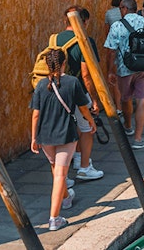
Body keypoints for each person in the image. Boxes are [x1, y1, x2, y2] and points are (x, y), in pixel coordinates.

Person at [30, 47, 94, 231]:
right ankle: (54, 218)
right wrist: (91, 122)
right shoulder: (73, 82)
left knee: (56, 169)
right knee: (60, 175)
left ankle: (66, 199)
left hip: (46, 136)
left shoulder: (41, 85)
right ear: (64, 63)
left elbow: (35, 114)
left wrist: (34, 137)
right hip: (65, 134)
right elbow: (82, 108)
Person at [52, 8, 104, 182]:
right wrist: (95, 100)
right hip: (78, 92)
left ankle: (66, 171)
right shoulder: (85, 41)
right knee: (87, 128)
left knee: (65, 130)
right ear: (84, 22)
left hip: (57, 92)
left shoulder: (54, 39)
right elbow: (86, 74)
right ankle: (84, 167)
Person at [104, 0, 144, 149]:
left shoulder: (117, 26)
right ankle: (138, 138)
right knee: (142, 100)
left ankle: (128, 126)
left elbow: (110, 51)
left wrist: (110, 70)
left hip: (125, 68)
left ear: (123, 8)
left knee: (125, 98)